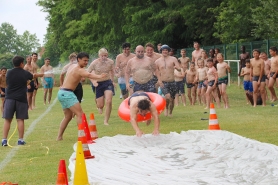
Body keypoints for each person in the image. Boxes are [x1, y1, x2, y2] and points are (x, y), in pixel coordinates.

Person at [57, 52, 106, 140]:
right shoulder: (79, 69)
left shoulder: (72, 66)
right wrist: (99, 76)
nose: (86, 62)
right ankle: (82, 136)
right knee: (80, 114)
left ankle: (59, 137)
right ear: (78, 60)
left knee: (68, 117)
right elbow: (89, 75)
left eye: (87, 61)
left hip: (61, 93)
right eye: (84, 61)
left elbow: (81, 76)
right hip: (68, 93)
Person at [2, 56, 44, 146]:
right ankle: (20, 140)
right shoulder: (25, 73)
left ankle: (4, 140)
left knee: (7, 120)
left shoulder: (8, 73)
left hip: (9, 98)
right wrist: (40, 74)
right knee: (20, 119)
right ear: (21, 63)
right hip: (21, 98)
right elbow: (32, 76)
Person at [87, 48, 115, 125]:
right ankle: (99, 106)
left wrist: (113, 81)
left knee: (109, 101)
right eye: (102, 56)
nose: (104, 57)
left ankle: (106, 121)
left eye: (105, 56)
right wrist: (93, 82)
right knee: (101, 105)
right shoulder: (94, 63)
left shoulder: (110, 62)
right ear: (99, 56)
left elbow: (112, 71)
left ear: (107, 55)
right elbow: (88, 74)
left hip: (107, 82)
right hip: (98, 83)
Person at [155, 44, 181, 116]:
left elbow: (179, 69)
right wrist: (159, 80)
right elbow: (155, 72)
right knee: (167, 96)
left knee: (172, 100)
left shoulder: (173, 59)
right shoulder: (157, 61)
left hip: (172, 82)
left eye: (166, 50)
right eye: (163, 50)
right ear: (161, 51)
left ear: (168, 51)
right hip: (163, 82)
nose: (165, 51)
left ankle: (170, 112)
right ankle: (166, 109)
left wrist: (177, 68)